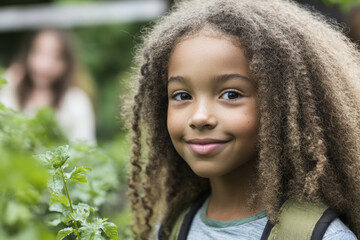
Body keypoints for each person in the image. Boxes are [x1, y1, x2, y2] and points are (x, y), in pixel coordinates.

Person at [128, 0, 360, 239]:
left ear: (281, 106)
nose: (199, 117)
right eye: (182, 95)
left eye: (231, 94)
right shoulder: (171, 229)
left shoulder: (320, 235)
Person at [0, 29, 96, 143]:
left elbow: (86, 147)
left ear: (68, 63)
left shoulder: (76, 101)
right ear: (27, 54)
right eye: (38, 52)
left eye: (56, 57)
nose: (45, 65)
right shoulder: (12, 91)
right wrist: (7, 83)